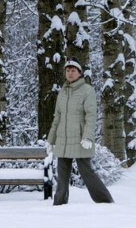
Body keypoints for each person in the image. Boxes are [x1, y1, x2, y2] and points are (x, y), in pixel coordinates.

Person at [46, 59, 114, 205]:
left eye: (73, 70)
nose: (70, 73)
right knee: (62, 174)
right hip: (63, 139)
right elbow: (57, 117)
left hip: (80, 139)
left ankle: (105, 201)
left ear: (79, 73)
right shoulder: (62, 92)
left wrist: (88, 136)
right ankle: (59, 204)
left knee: (86, 172)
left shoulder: (87, 90)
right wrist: (51, 139)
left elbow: (91, 115)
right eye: (67, 70)